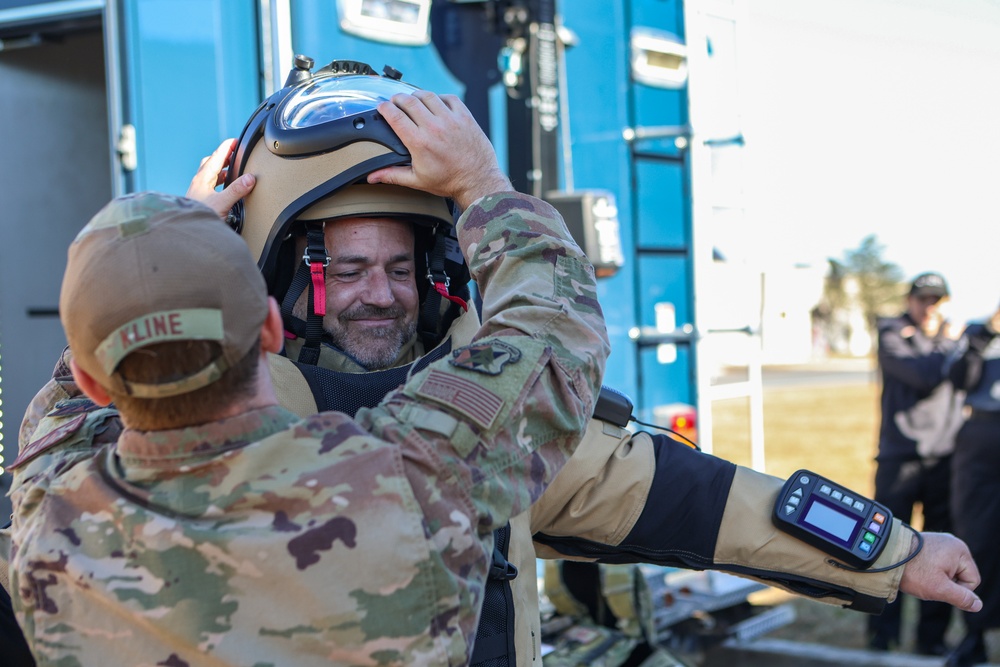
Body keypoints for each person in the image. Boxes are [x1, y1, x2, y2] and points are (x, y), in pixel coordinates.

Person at [184, 62, 984, 667]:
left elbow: (693, 499)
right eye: (345, 270)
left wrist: (897, 552)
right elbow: (554, 337)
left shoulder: (138, 442)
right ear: (277, 277)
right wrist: (483, 183)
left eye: (405, 269)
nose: (381, 297)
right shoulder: (451, 436)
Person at [5, 89, 610, 666]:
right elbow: (553, 338)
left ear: (89, 380)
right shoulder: (408, 482)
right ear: (271, 327)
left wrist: (163, 252)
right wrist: (482, 183)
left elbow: (56, 429)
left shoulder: (46, 531)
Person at [868, 271, 967, 654]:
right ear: (909, 300)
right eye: (923, 299)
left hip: (945, 460)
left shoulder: (952, 339)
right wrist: (951, 342)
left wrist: (954, 343)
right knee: (883, 550)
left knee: (942, 552)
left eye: (937, 300)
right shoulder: (892, 332)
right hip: (899, 459)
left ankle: (932, 640)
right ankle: (882, 637)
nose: (929, 307)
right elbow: (923, 375)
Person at [945, 305, 1000, 667]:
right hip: (984, 434)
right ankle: (976, 631)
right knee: (977, 536)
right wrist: (987, 333)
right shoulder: (979, 332)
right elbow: (959, 377)